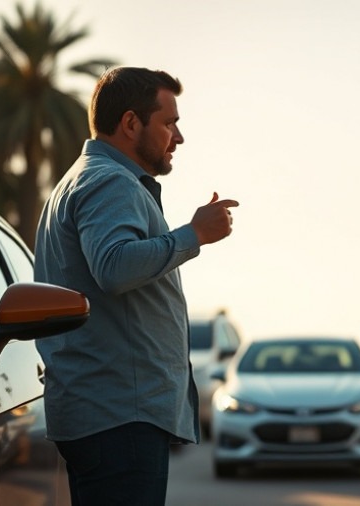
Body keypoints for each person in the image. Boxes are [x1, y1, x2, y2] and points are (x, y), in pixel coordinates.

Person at [34, 66, 239, 505]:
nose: (178, 137)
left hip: (108, 416)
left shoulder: (84, 178)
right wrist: (194, 234)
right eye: (169, 123)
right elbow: (114, 266)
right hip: (119, 419)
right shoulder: (110, 181)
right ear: (131, 123)